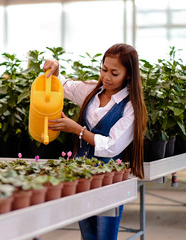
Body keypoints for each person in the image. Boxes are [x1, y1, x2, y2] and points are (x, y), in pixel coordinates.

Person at [43, 43, 147, 240]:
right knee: (88, 234)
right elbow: (62, 85)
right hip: (83, 173)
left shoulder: (131, 107)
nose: (106, 77)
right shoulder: (92, 91)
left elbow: (111, 146)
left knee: (105, 235)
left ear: (129, 75)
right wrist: (55, 68)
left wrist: (77, 129)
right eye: (104, 69)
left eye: (114, 73)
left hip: (110, 179)